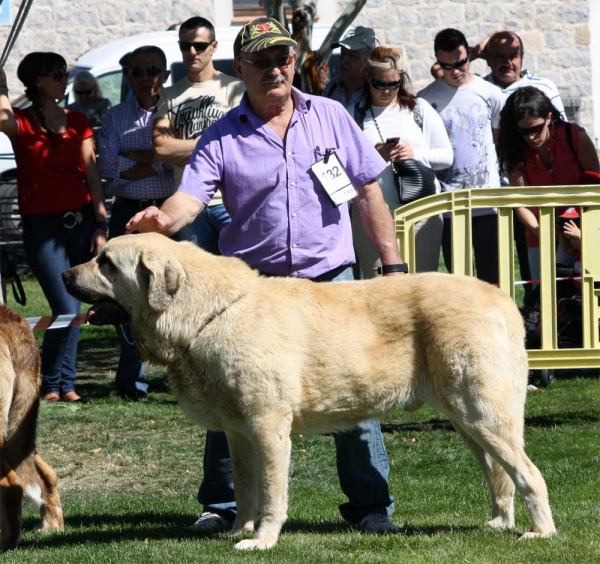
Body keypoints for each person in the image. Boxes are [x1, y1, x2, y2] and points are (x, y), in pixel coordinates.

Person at [128, 16, 406, 535]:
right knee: (229, 395)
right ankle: (224, 507)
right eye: (261, 60)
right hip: (253, 291)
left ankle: (371, 507)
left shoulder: (331, 116)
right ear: (244, 68)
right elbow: (190, 197)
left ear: (294, 61)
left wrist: (391, 265)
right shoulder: (221, 136)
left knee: (356, 392)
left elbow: (369, 193)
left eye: (282, 57)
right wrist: (163, 220)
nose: (274, 68)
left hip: (331, 281)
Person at [0, 52, 107, 402]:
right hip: (43, 230)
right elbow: (2, 118)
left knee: (76, 303)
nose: (65, 78)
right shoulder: (22, 122)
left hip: (81, 223)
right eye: (57, 74)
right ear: (37, 81)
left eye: (64, 73)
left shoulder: (78, 120)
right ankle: (50, 384)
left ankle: (67, 385)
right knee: (66, 306)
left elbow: (91, 173)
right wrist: (1, 85)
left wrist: (101, 222)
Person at [98, 46, 173, 400]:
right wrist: (156, 160)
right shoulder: (115, 117)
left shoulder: (174, 110)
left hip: (168, 211)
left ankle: (179, 376)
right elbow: (108, 172)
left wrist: (141, 158)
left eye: (154, 71)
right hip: (127, 211)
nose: (147, 78)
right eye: (139, 71)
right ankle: (132, 381)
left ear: (165, 75)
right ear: (129, 77)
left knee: (173, 291)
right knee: (124, 294)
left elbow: (177, 161)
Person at [352, 46, 453, 276]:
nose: (387, 90)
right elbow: (344, 165)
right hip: (372, 214)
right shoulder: (355, 113)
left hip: (421, 210)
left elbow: (446, 156)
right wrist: (374, 157)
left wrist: (415, 154)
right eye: (380, 84)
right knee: (379, 290)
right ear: (368, 78)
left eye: (393, 84)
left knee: (421, 288)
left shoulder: (419, 109)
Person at [418, 28, 504, 285]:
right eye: (447, 66)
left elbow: (499, 141)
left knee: (494, 279)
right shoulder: (425, 100)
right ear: (437, 62)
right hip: (449, 205)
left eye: (461, 63)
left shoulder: (491, 93)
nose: (455, 71)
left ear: (469, 56)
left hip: (488, 201)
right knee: (459, 283)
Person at [152, 16, 245, 253]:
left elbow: (239, 143)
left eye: (200, 45)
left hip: (229, 202)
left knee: (240, 277)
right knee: (198, 284)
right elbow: (161, 148)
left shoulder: (235, 88)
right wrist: (216, 144)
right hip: (187, 202)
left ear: (213, 47)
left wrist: (181, 148)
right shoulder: (169, 95)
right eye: (185, 46)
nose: (192, 51)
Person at [496, 86, 599, 282]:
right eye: (524, 131)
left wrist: (585, 232)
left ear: (549, 117)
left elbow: (596, 185)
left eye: (536, 128)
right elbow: (521, 202)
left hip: (580, 226)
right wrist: (539, 231)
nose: (532, 136)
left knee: (582, 286)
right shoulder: (514, 150)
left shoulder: (575, 136)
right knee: (541, 292)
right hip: (539, 228)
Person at [321, 25, 379, 110]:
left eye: (353, 55)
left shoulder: (378, 92)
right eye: (343, 53)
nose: (343, 60)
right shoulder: (332, 87)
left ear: (370, 60)